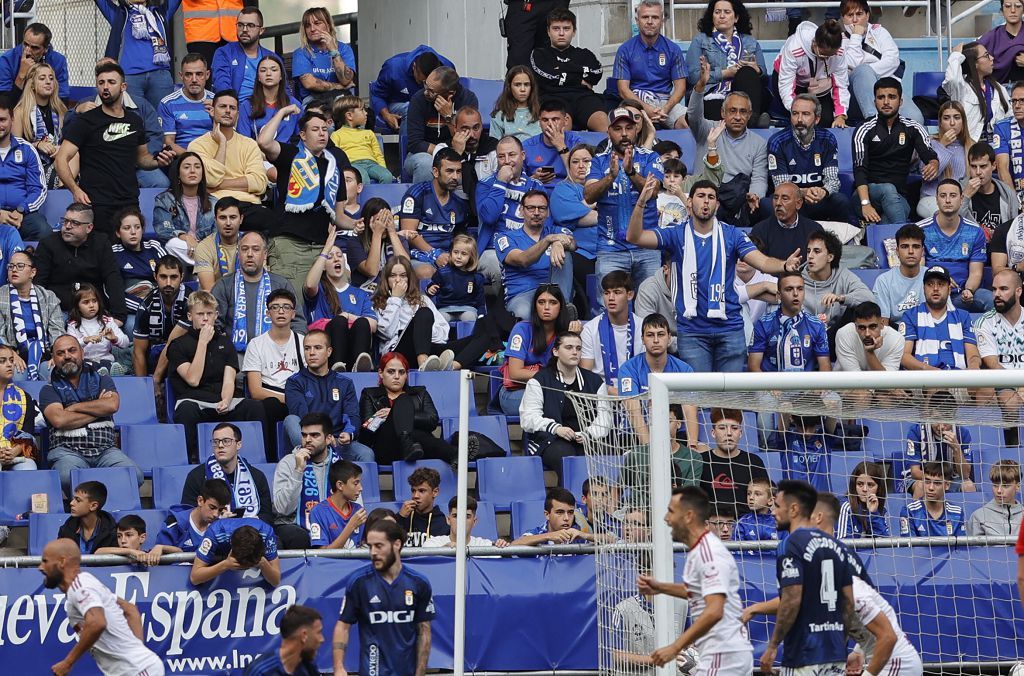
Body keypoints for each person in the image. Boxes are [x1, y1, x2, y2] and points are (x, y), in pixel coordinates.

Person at [627, 178, 801, 373]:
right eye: (701, 196)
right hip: (692, 332)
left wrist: (784, 265)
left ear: (717, 205)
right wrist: (641, 203)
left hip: (730, 329)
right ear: (690, 202)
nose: (706, 201)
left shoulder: (732, 235)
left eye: (711, 197)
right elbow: (635, 237)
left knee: (730, 400)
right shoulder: (675, 235)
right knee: (700, 398)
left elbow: (763, 262)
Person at [745, 493, 922, 676]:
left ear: (818, 518)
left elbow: (888, 636)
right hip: (880, 657)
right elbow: (797, 598)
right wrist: (859, 651)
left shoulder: (846, 578)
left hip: (898, 664)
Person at [638, 485, 754, 673]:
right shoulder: (699, 550)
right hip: (721, 653)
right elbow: (699, 592)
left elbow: (715, 610)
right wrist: (660, 587)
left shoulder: (708, 554)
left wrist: (675, 647)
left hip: (724, 655)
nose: (666, 519)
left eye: (671, 512)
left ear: (689, 516)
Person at [54, 61, 175, 236]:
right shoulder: (85, 121)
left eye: (111, 82)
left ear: (123, 86)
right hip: (96, 203)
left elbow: (142, 159)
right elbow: (61, 159)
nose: (105, 87)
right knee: (102, 256)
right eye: (101, 82)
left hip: (129, 201)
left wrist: (158, 161)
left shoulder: (135, 120)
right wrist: (75, 190)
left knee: (131, 256)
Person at [759, 480, 857, 676]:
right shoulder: (838, 547)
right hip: (834, 653)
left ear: (793, 509)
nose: (772, 512)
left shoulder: (791, 544)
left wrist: (772, 645)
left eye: (777, 506)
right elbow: (850, 603)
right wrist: (841, 641)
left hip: (803, 653)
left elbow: (792, 599)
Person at [258, 107, 352, 295]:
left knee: (329, 306)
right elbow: (264, 141)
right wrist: (282, 112)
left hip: (321, 248)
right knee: (291, 304)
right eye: (315, 129)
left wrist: (357, 224)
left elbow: (339, 217)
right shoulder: (291, 155)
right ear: (303, 134)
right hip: (290, 245)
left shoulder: (334, 167)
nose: (321, 133)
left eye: (324, 129)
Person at [38, 538, 165, 676]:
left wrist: (68, 663)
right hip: (137, 669)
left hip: (137, 670)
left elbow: (97, 623)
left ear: (62, 562)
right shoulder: (86, 582)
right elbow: (130, 609)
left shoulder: (79, 587)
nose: (40, 567)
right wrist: (139, 652)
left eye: (45, 561)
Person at [166, 291, 267, 461]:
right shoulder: (177, 346)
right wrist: (202, 343)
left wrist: (226, 401)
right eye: (200, 314)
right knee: (186, 412)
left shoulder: (225, 343)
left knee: (255, 407)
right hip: (194, 401)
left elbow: (229, 380)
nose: (205, 318)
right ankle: (189, 461)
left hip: (222, 401)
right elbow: (193, 379)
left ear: (216, 316)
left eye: (209, 314)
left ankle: (259, 458)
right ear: (190, 316)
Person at [332, 519, 435, 676]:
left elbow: (424, 631)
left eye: (379, 546)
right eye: (370, 546)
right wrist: (339, 667)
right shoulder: (359, 582)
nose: (373, 552)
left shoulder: (419, 583)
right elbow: (343, 626)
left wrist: (420, 672)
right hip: (371, 671)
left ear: (397, 544)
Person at [41, 335, 142, 492]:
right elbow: (60, 420)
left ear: (82, 353)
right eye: (60, 353)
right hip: (68, 452)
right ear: (54, 358)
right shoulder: (48, 389)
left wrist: (73, 407)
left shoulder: (102, 379)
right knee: (67, 476)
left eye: (72, 350)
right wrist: (98, 410)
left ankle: (108, 510)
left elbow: (112, 405)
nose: (67, 356)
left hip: (105, 450)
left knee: (134, 475)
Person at [584, 108, 665, 288]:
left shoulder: (650, 157)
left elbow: (652, 192)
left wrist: (631, 172)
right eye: (618, 129)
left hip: (647, 247)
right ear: (608, 132)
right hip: (611, 249)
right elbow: (588, 196)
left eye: (629, 128)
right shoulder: (598, 160)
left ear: (636, 130)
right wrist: (610, 177)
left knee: (651, 308)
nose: (624, 134)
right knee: (610, 308)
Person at [687, 58, 767, 227]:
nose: (737, 116)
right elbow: (693, 116)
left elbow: (759, 177)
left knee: (765, 208)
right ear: (723, 113)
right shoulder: (708, 130)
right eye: (732, 111)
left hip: (738, 201)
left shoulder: (758, 143)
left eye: (743, 112)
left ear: (750, 114)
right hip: (707, 196)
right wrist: (701, 85)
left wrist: (755, 195)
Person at [521, 331, 611, 481]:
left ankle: (595, 501)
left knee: (600, 456)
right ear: (556, 351)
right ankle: (570, 500)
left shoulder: (595, 382)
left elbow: (604, 419)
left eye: (578, 348)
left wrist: (588, 434)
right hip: (550, 439)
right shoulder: (539, 380)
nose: (574, 352)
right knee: (567, 458)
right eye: (568, 347)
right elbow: (528, 418)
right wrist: (556, 428)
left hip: (585, 439)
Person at [853, 77, 938, 225]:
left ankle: (882, 242)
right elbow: (859, 169)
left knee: (894, 215)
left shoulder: (913, 127)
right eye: (881, 97)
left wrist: (933, 163)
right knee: (887, 190)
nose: (886, 102)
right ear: (875, 102)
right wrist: (865, 203)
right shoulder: (864, 129)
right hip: (865, 195)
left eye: (891, 97)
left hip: (898, 196)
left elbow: (929, 154)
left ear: (901, 101)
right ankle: (905, 238)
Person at [211, 231, 306, 354]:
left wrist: (287, 350)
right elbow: (213, 323)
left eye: (255, 249)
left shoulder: (281, 285)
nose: (249, 254)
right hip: (233, 356)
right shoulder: (224, 285)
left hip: (276, 353)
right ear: (238, 254)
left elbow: (298, 323)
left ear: (265, 254)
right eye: (244, 249)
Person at [284, 330, 373, 459]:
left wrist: (348, 433)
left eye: (318, 348)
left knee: (366, 454)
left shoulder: (344, 383)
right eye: (307, 348)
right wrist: (323, 438)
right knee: (291, 420)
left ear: (329, 351)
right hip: (311, 441)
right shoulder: (295, 382)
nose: (312, 353)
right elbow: (302, 417)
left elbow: (352, 415)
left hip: (336, 442)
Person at [34, 204, 125, 325]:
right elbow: (39, 284)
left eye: (74, 223)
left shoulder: (101, 242)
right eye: (65, 221)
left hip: (93, 311)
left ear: (89, 227)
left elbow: (112, 278)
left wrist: (118, 316)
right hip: (58, 311)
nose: (67, 226)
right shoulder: (48, 244)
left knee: (128, 327)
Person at [359, 351, 457, 465]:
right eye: (391, 371)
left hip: (417, 449)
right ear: (381, 373)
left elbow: (432, 420)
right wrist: (393, 416)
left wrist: (396, 413)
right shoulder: (369, 394)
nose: (396, 376)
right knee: (404, 405)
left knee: (406, 408)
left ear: (406, 375)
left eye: (401, 372)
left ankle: (408, 443)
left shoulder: (419, 393)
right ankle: (454, 454)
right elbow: (367, 429)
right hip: (386, 448)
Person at [617, 313, 700, 447]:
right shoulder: (629, 369)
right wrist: (650, 448)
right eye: (650, 335)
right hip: (635, 436)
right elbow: (634, 413)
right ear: (643, 339)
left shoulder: (684, 370)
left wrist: (692, 445)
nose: (656, 340)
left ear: (669, 338)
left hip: (676, 434)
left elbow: (690, 412)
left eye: (660, 334)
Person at [768, 95, 852, 223]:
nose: (799, 119)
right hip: (791, 201)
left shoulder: (827, 139)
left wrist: (823, 191)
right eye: (795, 114)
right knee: (767, 205)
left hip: (818, 198)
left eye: (806, 114)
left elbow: (833, 180)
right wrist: (802, 192)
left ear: (817, 119)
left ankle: (837, 240)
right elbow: (781, 186)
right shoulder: (777, 142)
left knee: (841, 201)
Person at [498, 284, 580, 415]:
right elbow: (515, 373)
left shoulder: (564, 334)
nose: (546, 307)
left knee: (566, 402)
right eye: (541, 302)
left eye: (553, 302)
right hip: (515, 393)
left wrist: (573, 338)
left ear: (561, 307)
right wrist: (552, 376)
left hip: (549, 391)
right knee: (553, 402)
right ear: (535, 306)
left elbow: (572, 371)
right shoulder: (521, 329)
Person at [187, 89, 270, 219]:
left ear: (237, 114)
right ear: (212, 111)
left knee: (271, 219)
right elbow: (211, 179)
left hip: (248, 205)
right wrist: (223, 144)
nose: (227, 111)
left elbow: (259, 183)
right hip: (214, 205)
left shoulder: (249, 144)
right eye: (222, 106)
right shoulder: (197, 146)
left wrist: (219, 186)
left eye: (232, 108)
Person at [476, 135, 546, 284]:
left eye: (512, 155)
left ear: (523, 156)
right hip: (493, 249)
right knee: (492, 263)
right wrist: (501, 182)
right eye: (501, 156)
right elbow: (489, 217)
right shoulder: (485, 184)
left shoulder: (536, 186)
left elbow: (545, 222)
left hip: (527, 246)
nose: (507, 161)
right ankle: (500, 307)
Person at [304, 230, 376, 371]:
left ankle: (360, 367)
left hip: (354, 347)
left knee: (362, 322)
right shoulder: (320, 289)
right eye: (330, 258)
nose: (336, 259)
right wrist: (325, 250)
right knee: (339, 321)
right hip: (328, 352)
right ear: (324, 265)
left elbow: (373, 325)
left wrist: (348, 316)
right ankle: (337, 365)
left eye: (339, 256)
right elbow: (310, 285)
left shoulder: (360, 293)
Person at [497, 189, 575, 319]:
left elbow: (573, 244)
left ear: (548, 212)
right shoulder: (505, 237)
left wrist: (558, 243)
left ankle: (564, 307)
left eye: (542, 208)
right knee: (524, 313)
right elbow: (522, 260)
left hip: (554, 291)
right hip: (522, 294)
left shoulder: (556, 230)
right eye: (531, 208)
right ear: (521, 211)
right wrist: (549, 240)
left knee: (565, 252)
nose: (537, 213)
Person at [685, 0, 767, 123]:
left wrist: (757, 70)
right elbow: (692, 77)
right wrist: (725, 73)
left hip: (744, 93)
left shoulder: (750, 42)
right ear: (712, 16)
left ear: (736, 18)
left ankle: (752, 120)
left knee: (747, 72)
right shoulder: (700, 40)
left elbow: (764, 74)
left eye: (727, 12)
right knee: (718, 108)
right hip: (711, 92)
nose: (721, 16)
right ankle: (750, 123)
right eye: (717, 12)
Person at [841, 0, 923, 123]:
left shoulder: (879, 32)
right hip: (853, 97)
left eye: (859, 14)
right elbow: (851, 64)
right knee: (862, 71)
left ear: (868, 15)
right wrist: (856, 37)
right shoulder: (839, 40)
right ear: (843, 18)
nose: (854, 20)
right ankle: (875, 123)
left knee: (915, 119)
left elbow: (892, 60)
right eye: (849, 15)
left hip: (886, 87)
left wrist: (870, 75)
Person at [242, 288, 305, 444]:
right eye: (275, 307)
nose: (281, 311)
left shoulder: (304, 342)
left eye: (286, 307)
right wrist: (289, 399)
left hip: (298, 398)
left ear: (293, 313)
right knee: (269, 405)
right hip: (272, 400)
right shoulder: (256, 344)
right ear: (268, 314)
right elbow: (255, 391)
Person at [613, 0, 688, 130]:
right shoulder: (625, 50)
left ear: (662, 21)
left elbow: (680, 88)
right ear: (637, 20)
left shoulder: (673, 49)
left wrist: (665, 109)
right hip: (635, 101)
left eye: (655, 17)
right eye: (645, 17)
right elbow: (623, 90)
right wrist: (646, 109)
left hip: (665, 103)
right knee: (630, 127)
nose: (649, 21)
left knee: (687, 123)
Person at [180, 421, 273, 525]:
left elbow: (268, 516)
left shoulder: (256, 477)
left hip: (250, 536)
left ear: (238, 444)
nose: (220, 445)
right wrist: (217, 520)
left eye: (226, 441)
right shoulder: (196, 476)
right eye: (216, 441)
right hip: (211, 535)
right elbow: (188, 516)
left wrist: (248, 521)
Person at [528, 8, 606, 132]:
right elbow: (546, 76)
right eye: (556, 28)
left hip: (583, 98)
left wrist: (562, 72)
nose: (561, 33)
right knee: (562, 128)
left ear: (574, 31)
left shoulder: (584, 54)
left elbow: (596, 72)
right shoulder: (539, 54)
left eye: (566, 28)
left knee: (604, 125)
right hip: (553, 98)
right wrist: (579, 77)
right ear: (548, 31)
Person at [920, 180, 992, 312]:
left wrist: (969, 291)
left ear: (961, 199)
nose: (948, 200)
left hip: (961, 294)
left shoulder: (975, 231)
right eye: (943, 196)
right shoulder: (921, 230)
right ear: (936, 200)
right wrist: (940, 277)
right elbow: (918, 269)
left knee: (990, 299)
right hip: (930, 294)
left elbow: (976, 272)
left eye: (953, 195)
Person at [93, 0, 179, 112]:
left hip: (160, 76)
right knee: (133, 120)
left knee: (161, 120)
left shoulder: (160, 13)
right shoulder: (119, 14)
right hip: (130, 77)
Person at [399, 148, 470, 277]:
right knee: (426, 272)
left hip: (449, 257)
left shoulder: (460, 204)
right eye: (449, 171)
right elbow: (408, 234)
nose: (455, 177)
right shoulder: (417, 194)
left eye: (458, 172)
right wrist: (435, 254)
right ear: (435, 172)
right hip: (418, 256)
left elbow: (460, 238)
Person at [404, 66, 479, 183]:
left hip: (458, 151)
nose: (425, 92)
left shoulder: (467, 99)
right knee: (425, 163)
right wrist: (443, 154)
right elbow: (415, 143)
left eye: (431, 91)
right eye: (425, 85)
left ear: (450, 93)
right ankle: (423, 200)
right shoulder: (418, 100)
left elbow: (466, 138)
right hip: (422, 154)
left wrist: (449, 117)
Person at [899, 265, 981, 372]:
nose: (935, 289)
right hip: (925, 378)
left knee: (987, 388)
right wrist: (929, 370)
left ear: (949, 289)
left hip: (958, 378)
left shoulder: (963, 316)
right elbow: (904, 356)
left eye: (941, 284)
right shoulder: (911, 315)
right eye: (930, 284)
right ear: (924, 289)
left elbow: (973, 355)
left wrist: (973, 367)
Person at [748, 270, 831, 373]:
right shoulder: (763, 324)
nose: (796, 294)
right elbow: (753, 366)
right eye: (789, 289)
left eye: (800, 289)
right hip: (771, 385)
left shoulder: (817, 325)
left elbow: (825, 367)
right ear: (779, 295)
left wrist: (818, 388)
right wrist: (769, 388)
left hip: (807, 387)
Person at [551, 142, 599, 316]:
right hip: (581, 252)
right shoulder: (563, 189)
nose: (581, 166)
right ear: (569, 166)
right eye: (575, 162)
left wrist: (580, 214)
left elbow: (579, 217)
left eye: (586, 161)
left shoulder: (607, 186)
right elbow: (564, 214)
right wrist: (598, 209)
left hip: (608, 250)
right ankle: (564, 312)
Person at [976, 270, 1024, 444]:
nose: (997, 294)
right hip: (1004, 383)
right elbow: (992, 363)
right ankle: (1013, 452)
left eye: (1003, 289)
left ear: (1018, 291)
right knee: (1009, 402)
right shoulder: (985, 322)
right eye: (994, 289)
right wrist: (1018, 388)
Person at [773, 20, 849, 129]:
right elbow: (786, 86)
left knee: (825, 120)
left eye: (831, 55)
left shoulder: (839, 52)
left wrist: (840, 115)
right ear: (815, 43)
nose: (827, 58)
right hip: (791, 82)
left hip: (818, 84)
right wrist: (799, 111)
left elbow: (841, 84)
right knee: (801, 119)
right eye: (823, 55)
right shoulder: (794, 48)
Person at [0, 250, 62, 381]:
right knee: (17, 374)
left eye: (20, 266)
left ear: (33, 272)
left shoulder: (48, 297)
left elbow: (57, 331)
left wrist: (57, 354)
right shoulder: (1, 296)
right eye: (11, 266)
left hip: (43, 354)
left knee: (54, 372)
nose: (14, 270)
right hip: (11, 353)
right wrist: (10, 354)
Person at [580, 271, 644, 391]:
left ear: (630, 295)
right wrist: (608, 391)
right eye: (606, 293)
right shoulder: (590, 329)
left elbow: (648, 370)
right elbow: (586, 375)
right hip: (601, 394)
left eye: (617, 292)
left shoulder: (643, 327)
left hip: (637, 391)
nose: (611, 298)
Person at [698, 408, 769, 516]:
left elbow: (766, 500)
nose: (729, 433)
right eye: (722, 428)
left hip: (746, 527)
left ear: (740, 433)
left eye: (734, 428)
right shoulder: (701, 461)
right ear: (713, 433)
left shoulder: (753, 462)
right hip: (711, 526)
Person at [12, 62, 68, 193]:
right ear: (31, 84)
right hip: (33, 169)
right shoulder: (20, 112)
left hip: (58, 164)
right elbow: (14, 149)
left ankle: (62, 185)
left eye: (51, 78)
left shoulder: (61, 111)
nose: (48, 82)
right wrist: (37, 145)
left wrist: (61, 149)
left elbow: (70, 141)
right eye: (42, 78)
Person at [801, 230, 874, 327]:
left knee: (859, 309)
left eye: (817, 251)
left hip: (836, 332)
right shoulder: (797, 278)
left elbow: (869, 298)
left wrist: (840, 298)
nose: (810, 256)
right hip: (805, 333)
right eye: (808, 251)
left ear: (830, 257)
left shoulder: (843, 275)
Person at [154, 152, 218, 264]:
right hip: (181, 250)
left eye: (197, 167)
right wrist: (185, 237)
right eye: (187, 167)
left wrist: (200, 246)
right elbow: (163, 231)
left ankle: (202, 266)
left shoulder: (214, 203)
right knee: (172, 244)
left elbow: (216, 234)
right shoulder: (164, 199)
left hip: (206, 248)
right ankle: (205, 265)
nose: (192, 171)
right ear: (178, 173)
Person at [371, 45, 452, 132]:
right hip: (398, 103)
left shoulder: (447, 69)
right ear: (414, 67)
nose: (425, 87)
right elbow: (377, 95)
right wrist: (386, 115)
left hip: (431, 104)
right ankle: (409, 144)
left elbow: (454, 94)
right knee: (410, 109)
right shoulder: (393, 68)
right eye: (421, 82)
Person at [112, 206, 167, 330]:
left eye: (137, 227)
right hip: (132, 309)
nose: (133, 232)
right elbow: (115, 293)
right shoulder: (113, 254)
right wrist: (144, 306)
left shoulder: (154, 246)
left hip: (161, 302)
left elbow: (171, 273)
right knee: (134, 326)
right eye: (127, 228)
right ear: (118, 233)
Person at [943, 42, 1010, 144]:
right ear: (975, 63)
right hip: (970, 147)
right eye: (986, 55)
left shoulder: (998, 88)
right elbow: (952, 79)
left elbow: (1010, 115)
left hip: (997, 146)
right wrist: (955, 55)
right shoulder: (962, 89)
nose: (991, 58)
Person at [0, 98, 47, 241]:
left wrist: (21, 210)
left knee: (45, 233)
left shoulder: (27, 149)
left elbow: (38, 189)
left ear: (12, 119)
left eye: (2, 120)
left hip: (23, 214)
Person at [291, 6, 356, 104]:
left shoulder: (344, 49)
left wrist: (333, 50)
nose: (312, 29)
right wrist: (338, 86)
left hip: (342, 100)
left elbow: (346, 80)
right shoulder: (301, 53)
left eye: (317, 23)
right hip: (313, 102)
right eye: (308, 25)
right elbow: (310, 83)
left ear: (328, 25)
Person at [190, 519, 281, 586]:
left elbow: (276, 581)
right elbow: (195, 577)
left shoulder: (267, 532)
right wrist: (225, 565)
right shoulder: (215, 532)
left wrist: (262, 562)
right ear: (231, 551)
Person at [210, 6, 273, 101]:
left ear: (261, 30)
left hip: (268, 109)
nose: (244, 29)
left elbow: (284, 91)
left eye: (250, 25)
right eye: (240, 25)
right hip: (236, 109)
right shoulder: (224, 53)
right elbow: (222, 87)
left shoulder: (271, 57)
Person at [346, 198, 411, 289]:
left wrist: (392, 232)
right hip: (367, 292)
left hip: (395, 290)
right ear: (369, 221)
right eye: (379, 220)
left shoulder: (398, 239)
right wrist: (377, 234)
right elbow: (371, 271)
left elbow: (406, 267)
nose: (383, 225)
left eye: (387, 219)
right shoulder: (355, 242)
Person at [237, 54, 301, 147]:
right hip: (257, 158)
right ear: (258, 77)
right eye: (263, 70)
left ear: (281, 76)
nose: (268, 74)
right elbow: (244, 143)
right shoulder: (247, 106)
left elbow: (302, 138)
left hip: (287, 158)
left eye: (274, 70)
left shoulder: (294, 104)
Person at [65, 283, 128, 374]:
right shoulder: (73, 325)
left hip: (105, 359)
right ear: (77, 306)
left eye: (94, 301)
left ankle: (107, 374)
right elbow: (69, 347)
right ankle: (98, 374)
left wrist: (115, 338)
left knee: (108, 365)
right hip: (84, 361)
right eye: (86, 302)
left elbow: (125, 343)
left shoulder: (108, 321)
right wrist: (85, 340)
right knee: (85, 367)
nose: (91, 305)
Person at [154, 477, 229, 553]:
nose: (216, 514)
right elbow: (159, 559)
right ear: (200, 501)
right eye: (212, 507)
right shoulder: (174, 524)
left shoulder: (221, 530)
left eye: (220, 510)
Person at [750, 183, 823, 261]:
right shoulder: (760, 230)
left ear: (798, 203)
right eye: (775, 198)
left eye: (785, 199)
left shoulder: (814, 229)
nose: (778, 203)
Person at [159, 54, 213, 155]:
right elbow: (168, 142)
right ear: (181, 76)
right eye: (188, 74)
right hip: (183, 159)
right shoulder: (168, 103)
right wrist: (193, 159)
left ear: (207, 75)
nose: (194, 80)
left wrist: (216, 118)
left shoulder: (217, 102)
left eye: (199, 74)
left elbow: (228, 137)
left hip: (213, 156)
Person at [522, 100, 585, 187]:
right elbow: (519, 183)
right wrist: (534, 179)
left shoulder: (576, 142)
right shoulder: (527, 146)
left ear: (565, 120)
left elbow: (581, 178)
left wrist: (561, 146)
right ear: (539, 122)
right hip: (537, 193)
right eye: (545, 120)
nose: (550, 124)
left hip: (568, 192)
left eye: (555, 119)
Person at [962, 142, 1019, 239]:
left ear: (993, 166)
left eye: (983, 166)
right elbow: (952, 222)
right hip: (970, 246)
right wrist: (965, 196)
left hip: (999, 249)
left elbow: (1015, 230)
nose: (978, 172)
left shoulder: (1007, 193)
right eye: (973, 166)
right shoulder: (960, 189)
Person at [246, 604, 323, 676]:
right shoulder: (260, 671)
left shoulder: (309, 667)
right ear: (304, 635)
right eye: (318, 632)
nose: (322, 639)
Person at [332, 95, 394, 184]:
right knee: (362, 178)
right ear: (349, 116)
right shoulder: (336, 135)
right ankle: (365, 198)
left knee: (387, 176)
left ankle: (380, 198)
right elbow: (336, 157)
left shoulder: (369, 133)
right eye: (362, 110)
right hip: (352, 164)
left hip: (372, 164)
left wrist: (383, 168)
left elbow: (378, 154)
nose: (366, 113)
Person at [873, 223, 927, 325]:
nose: (910, 251)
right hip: (897, 333)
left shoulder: (933, 277)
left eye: (915, 247)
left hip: (928, 332)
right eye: (905, 247)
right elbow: (883, 324)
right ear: (897, 251)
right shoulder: (884, 281)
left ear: (922, 251)